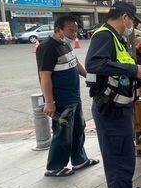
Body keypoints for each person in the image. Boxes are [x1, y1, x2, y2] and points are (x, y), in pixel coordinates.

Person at [85, 1, 141, 188]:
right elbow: (94, 64)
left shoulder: (116, 38)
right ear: (124, 17)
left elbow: (115, 68)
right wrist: (133, 69)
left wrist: (135, 71)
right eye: (132, 20)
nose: (132, 24)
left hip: (120, 109)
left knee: (124, 154)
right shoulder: (104, 35)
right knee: (118, 158)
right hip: (111, 110)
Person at [36, 15, 98, 177]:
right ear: (58, 30)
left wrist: (91, 79)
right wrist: (49, 102)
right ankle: (55, 166)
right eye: (71, 30)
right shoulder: (47, 47)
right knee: (63, 132)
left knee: (79, 127)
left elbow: (75, 64)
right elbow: (45, 76)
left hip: (73, 97)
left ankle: (79, 160)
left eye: (76, 29)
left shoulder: (65, 44)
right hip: (61, 100)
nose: (75, 33)